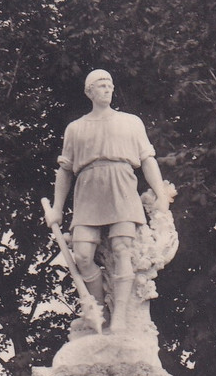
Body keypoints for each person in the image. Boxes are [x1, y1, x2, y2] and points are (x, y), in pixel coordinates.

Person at [46, 69, 169, 333]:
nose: (107, 89)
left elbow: (147, 159)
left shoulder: (130, 122)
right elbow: (65, 170)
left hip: (122, 184)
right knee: (82, 254)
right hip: (88, 188)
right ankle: (100, 311)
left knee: (123, 248)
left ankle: (121, 318)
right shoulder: (76, 128)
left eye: (109, 84)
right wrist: (57, 208)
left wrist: (160, 193)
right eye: (100, 85)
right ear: (89, 92)